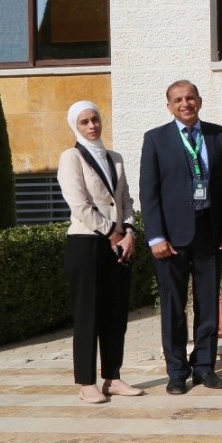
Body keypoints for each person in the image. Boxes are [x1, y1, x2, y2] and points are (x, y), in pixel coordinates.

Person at [139, 80, 222, 395]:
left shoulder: (219, 135)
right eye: (178, 100)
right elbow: (148, 192)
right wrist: (155, 236)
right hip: (171, 237)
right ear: (169, 106)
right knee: (173, 306)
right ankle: (177, 371)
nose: (185, 104)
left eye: (190, 98)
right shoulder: (155, 139)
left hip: (210, 231)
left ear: (200, 101)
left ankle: (205, 367)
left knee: (208, 304)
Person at [59, 101, 143, 403]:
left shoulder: (114, 158)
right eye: (84, 122)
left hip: (118, 244)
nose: (92, 126)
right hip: (86, 243)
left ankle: (113, 377)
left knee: (115, 314)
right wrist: (112, 232)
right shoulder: (71, 157)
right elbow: (79, 204)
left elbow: (126, 200)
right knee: (87, 315)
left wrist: (129, 232)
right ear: (75, 126)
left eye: (95, 119)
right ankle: (86, 383)